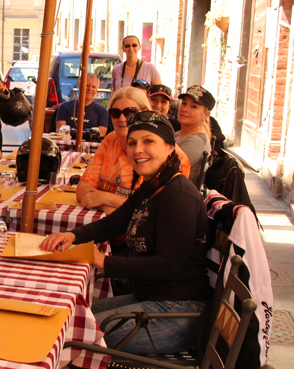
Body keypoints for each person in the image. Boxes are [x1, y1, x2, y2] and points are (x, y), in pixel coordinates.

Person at [41, 111, 212, 355]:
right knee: (68, 322)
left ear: (170, 148)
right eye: (132, 143)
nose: (137, 150)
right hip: (151, 297)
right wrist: (73, 236)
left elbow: (168, 266)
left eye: (148, 141)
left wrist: (103, 261)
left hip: (180, 311)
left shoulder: (177, 195)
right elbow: (112, 224)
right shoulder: (152, 186)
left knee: (75, 337)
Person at [77, 87, 190, 216]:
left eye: (130, 112)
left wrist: (105, 198)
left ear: (145, 112)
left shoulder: (170, 153)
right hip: (108, 228)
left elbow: (153, 209)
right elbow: (82, 189)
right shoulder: (111, 140)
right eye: (115, 112)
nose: (121, 118)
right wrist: (106, 208)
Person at [176, 85, 215, 186]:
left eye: (194, 106)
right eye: (184, 103)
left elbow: (167, 171)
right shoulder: (178, 134)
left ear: (205, 115)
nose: (184, 109)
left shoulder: (196, 142)